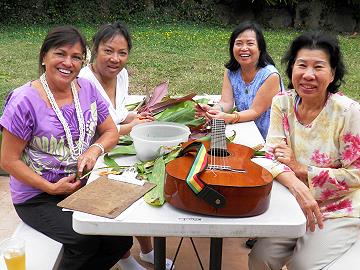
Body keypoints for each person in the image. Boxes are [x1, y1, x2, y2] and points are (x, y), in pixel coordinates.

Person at [0, 26, 133, 270]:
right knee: (83, 241)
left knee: (120, 238)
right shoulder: (23, 101)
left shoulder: (88, 89)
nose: (68, 63)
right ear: (44, 56)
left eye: (76, 57)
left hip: (80, 187)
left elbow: (111, 131)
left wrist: (94, 151)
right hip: (36, 196)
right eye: (60, 54)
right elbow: (8, 161)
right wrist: (50, 188)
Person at [248, 31, 360, 270]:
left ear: (332, 74)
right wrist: (297, 185)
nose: (308, 75)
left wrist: (299, 168)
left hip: (338, 205)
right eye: (302, 65)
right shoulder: (283, 102)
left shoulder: (348, 112)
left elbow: (356, 175)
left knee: (303, 265)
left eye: (318, 67)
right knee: (261, 258)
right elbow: (268, 156)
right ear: (291, 69)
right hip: (294, 199)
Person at [79, 22, 173, 270]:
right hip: (90, 153)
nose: (115, 59)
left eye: (122, 53)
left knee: (142, 181)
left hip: (114, 142)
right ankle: (124, 257)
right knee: (121, 191)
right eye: (108, 51)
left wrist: (134, 118)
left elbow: (116, 114)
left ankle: (148, 250)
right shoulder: (84, 82)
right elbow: (95, 129)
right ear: (94, 49)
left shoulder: (121, 75)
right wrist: (131, 128)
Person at [196, 21, 283, 139]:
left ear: (260, 48)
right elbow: (226, 102)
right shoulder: (231, 71)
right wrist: (213, 111)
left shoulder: (270, 76)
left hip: (270, 137)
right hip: (246, 131)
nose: (244, 48)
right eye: (239, 43)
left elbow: (255, 112)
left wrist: (229, 117)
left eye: (250, 43)